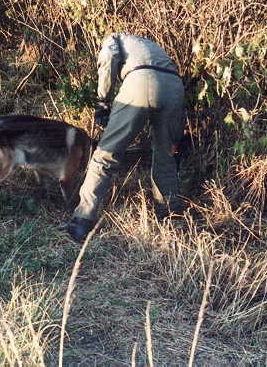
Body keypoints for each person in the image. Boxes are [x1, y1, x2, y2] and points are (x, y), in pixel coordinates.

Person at [66, 33, 185, 242]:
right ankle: (170, 216)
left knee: (106, 153)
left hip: (141, 82)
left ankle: (82, 220)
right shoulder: (152, 46)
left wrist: (103, 101)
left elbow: (108, 60)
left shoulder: (114, 38)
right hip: (175, 87)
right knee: (166, 154)